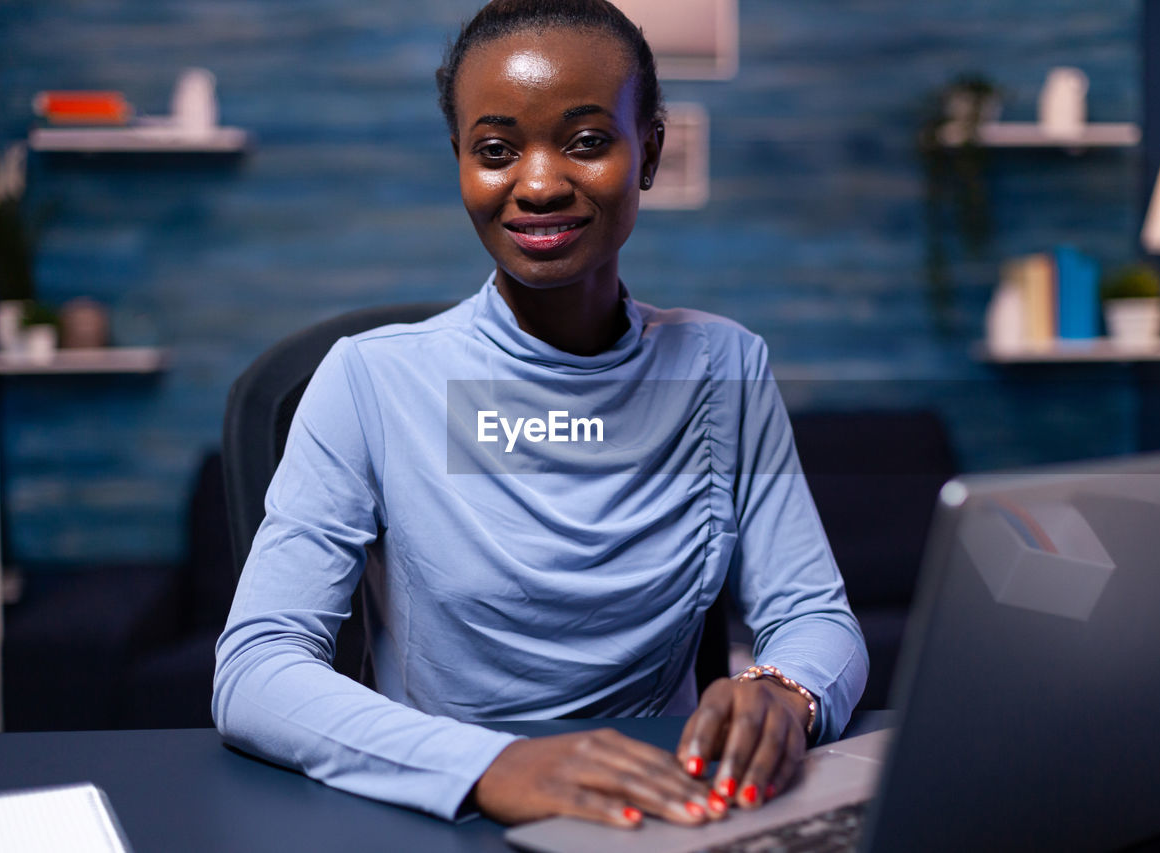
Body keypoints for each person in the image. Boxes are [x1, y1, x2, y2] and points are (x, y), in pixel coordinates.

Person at [213, 0, 867, 830]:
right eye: (494, 150)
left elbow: (814, 616)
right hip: (447, 809)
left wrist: (789, 692)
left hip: (665, 809)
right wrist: (486, 764)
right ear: (460, 162)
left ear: (651, 153)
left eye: (587, 141)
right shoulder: (370, 383)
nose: (538, 182)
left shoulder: (726, 369)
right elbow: (256, 669)